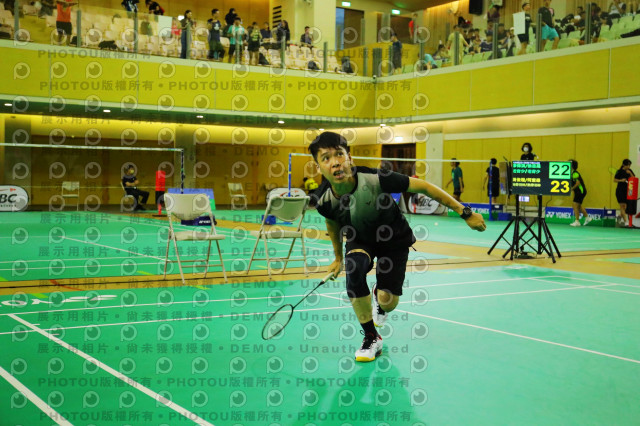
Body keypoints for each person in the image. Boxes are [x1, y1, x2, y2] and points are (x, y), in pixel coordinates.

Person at [309, 132, 486, 362]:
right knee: (354, 271)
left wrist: (465, 213)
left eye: (339, 155)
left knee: (388, 301)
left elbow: (424, 187)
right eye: (326, 158)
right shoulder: (322, 198)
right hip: (360, 238)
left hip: (394, 238)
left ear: (349, 157)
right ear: (318, 167)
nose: (335, 162)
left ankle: (380, 298)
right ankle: (371, 337)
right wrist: (337, 258)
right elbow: (332, 222)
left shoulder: (376, 178)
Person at [569, 160, 591, 226]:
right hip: (579, 191)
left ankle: (577, 221)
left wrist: (571, 189)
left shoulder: (575, 173)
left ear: (571, 166)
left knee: (575, 205)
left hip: (580, 191)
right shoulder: (572, 173)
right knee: (578, 206)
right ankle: (587, 218)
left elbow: (578, 183)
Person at [614, 159, 635, 225]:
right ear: (623, 165)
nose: (628, 167)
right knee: (622, 206)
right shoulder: (619, 171)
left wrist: (630, 173)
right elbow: (615, 180)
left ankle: (619, 216)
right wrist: (621, 180)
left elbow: (634, 178)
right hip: (620, 191)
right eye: (627, 165)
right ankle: (626, 222)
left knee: (625, 207)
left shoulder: (629, 171)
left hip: (627, 191)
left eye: (629, 165)